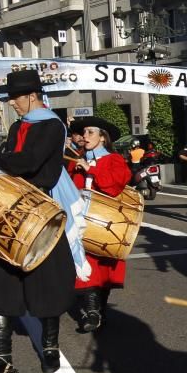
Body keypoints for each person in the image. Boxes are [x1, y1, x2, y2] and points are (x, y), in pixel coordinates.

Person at [0, 69, 85, 373]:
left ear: (31, 95)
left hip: (41, 213)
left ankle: (50, 348)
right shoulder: (17, 125)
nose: (12, 103)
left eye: (15, 98)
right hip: (9, 214)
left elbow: (29, 162)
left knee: (47, 283)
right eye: (10, 98)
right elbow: (5, 158)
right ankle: (1, 360)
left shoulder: (51, 126)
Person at [67, 116, 132, 332]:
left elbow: (113, 186)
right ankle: (93, 312)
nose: (84, 137)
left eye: (90, 133)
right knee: (87, 265)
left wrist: (90, 169)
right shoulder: (77, 160)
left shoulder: (113, 159)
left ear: (102, 138)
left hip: (105, 224)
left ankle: (99, 310)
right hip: (80, 223)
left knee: (103, 270)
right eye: (83, 133)